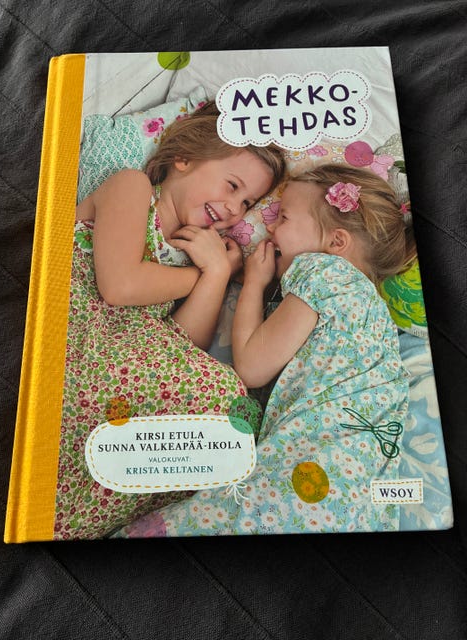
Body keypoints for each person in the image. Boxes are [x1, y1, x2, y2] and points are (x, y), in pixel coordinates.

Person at [114, 163, 417, 538]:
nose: (270, 229)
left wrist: (254, 284)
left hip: (312, 477)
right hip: (359, 501)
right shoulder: (374, 313)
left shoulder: (324, 272)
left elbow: (251, 367)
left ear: (336, 243)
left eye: (283, 218)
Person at [54, 102, 286, 540]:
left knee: (228, 406)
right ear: (184, 158)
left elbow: (181, 346)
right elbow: (120, 285)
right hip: (70, 338)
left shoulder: (190, 253)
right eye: (232, 185)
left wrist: (216, 275)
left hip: (118, 367)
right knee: (220, 394)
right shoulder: (133, 188)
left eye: (247, 203)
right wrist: (204, 273)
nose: (234, 209)